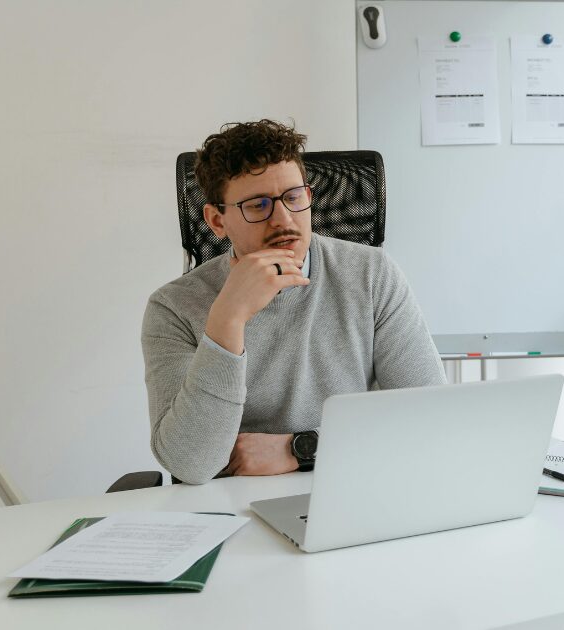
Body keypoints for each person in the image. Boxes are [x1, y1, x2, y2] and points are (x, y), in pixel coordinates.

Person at [141, 119, 445, 484]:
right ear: (217, 221)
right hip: (231, 504)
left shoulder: (371, 274)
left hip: (349, 484)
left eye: (293, 197)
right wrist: (227, 320)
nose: (284, 220)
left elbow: (428, 418)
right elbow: (190, 465)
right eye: (258, 205)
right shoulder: (173, 307)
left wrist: (300, 448)